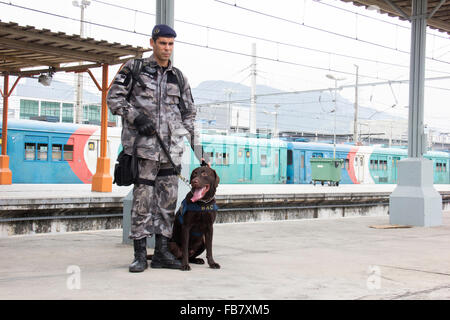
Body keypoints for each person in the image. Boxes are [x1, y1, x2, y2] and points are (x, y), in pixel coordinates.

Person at [107, 24, 205, 272]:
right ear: (152, 43)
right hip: (143, 151)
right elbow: (114, 97)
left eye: (171, 44)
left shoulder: (178, 77)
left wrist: (200, 153)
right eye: (162, 43)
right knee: (142, 203)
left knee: (167, 205)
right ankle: (140, 254)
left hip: (171, 154)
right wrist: (135, 117)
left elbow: (189, 115)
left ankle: (161, 253)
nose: (167, 48)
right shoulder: (135, 68)